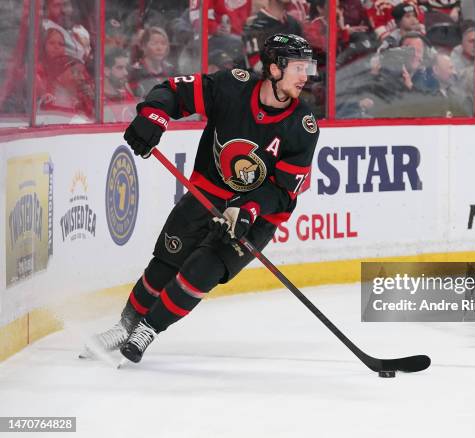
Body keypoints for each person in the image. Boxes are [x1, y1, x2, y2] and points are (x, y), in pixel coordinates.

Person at [83, 34, 320, 364]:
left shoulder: (304, 126)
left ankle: (147, 329)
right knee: (164, 266)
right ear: (274, 69)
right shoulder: (232, 86)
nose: (306, 76)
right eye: (298, 68)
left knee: (203, 270)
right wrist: (153, 115)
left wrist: (248, 210)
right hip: (206, 194)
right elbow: (174, 91)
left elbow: (283, 190)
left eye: (308, 68)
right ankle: (125, 326)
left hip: (256, 215)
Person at [104, 48, 137, 122]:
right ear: (106, 71)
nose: (126, 73)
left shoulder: (125, 92)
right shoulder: (98, 101)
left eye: (126, 68)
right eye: (120, 68)